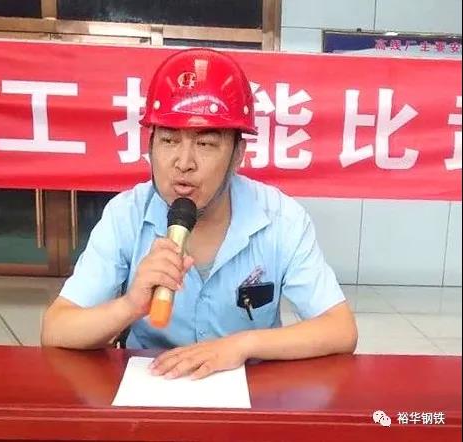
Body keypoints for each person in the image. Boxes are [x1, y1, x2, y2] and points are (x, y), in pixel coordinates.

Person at [41, 48, 358, 380]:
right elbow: (56, 329)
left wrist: (241, 345)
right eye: (168, 140)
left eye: (205, 144)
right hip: (153, 384)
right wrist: (129, 306)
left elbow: (340, 329)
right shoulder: (127, 215)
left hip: (249, 388)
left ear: (238, 154)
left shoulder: (281, 218)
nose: (183, 163)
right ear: (150, 145)